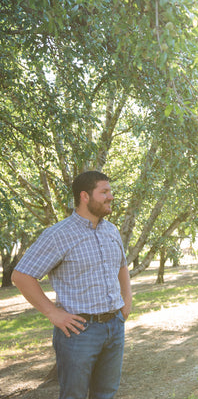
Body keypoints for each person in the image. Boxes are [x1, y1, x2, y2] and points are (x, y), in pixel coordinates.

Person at [12, 171, 132, 399]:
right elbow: (21, 276)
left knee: (106, 394)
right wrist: (52, 313)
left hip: (115, 326)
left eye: (110, 191)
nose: (111, 196)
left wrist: (127, 301)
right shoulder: (58, 235)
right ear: (85, 196)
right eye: (104, 192)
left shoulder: (112, 230)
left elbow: (122, 266)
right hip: (79, 332)